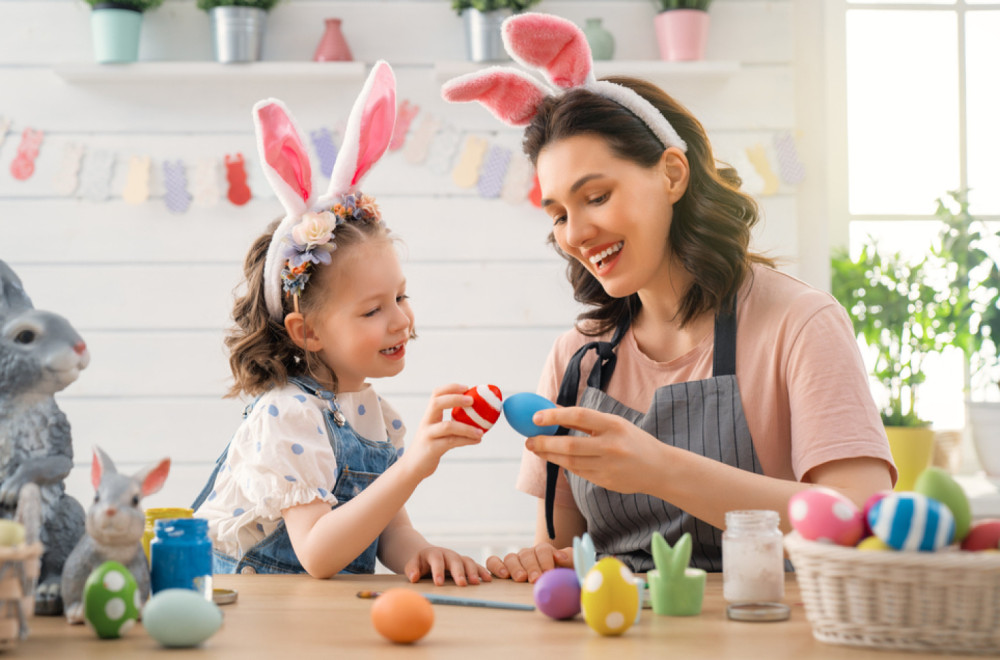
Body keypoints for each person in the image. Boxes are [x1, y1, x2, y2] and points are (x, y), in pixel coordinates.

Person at [443, 14, 894, 581]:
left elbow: (861, 521)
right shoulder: (576, 360)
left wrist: (660, 468)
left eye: (597, 196)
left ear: (673, 174)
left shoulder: (800, 325)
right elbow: (562, 551)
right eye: (559, 214)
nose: (575, 233)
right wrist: (545, 562)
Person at [194, 62, 490, 585]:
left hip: (312, 617)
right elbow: (319, 553)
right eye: (373, 310)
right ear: (307, 332)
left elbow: (388, 532)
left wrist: (422, 553)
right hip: (252, 621)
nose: (401, 319)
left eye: (400, 297)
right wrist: (413, 464)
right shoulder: (286, 413)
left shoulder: (376, 416)